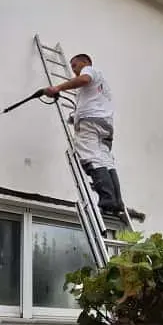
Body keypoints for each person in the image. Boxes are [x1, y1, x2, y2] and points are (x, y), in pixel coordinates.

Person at [44, 54, 126, 221]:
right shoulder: (102, 86)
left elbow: (84, 79)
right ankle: (117, 202)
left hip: (90, 125)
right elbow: (93, 102)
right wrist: (75, 117)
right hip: (105, 126)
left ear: (86, 62)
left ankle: (107, 201)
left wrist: (57, 88)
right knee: (106, 161)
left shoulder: (90, 71)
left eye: (75, 65)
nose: (73, 70)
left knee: (91, 158)